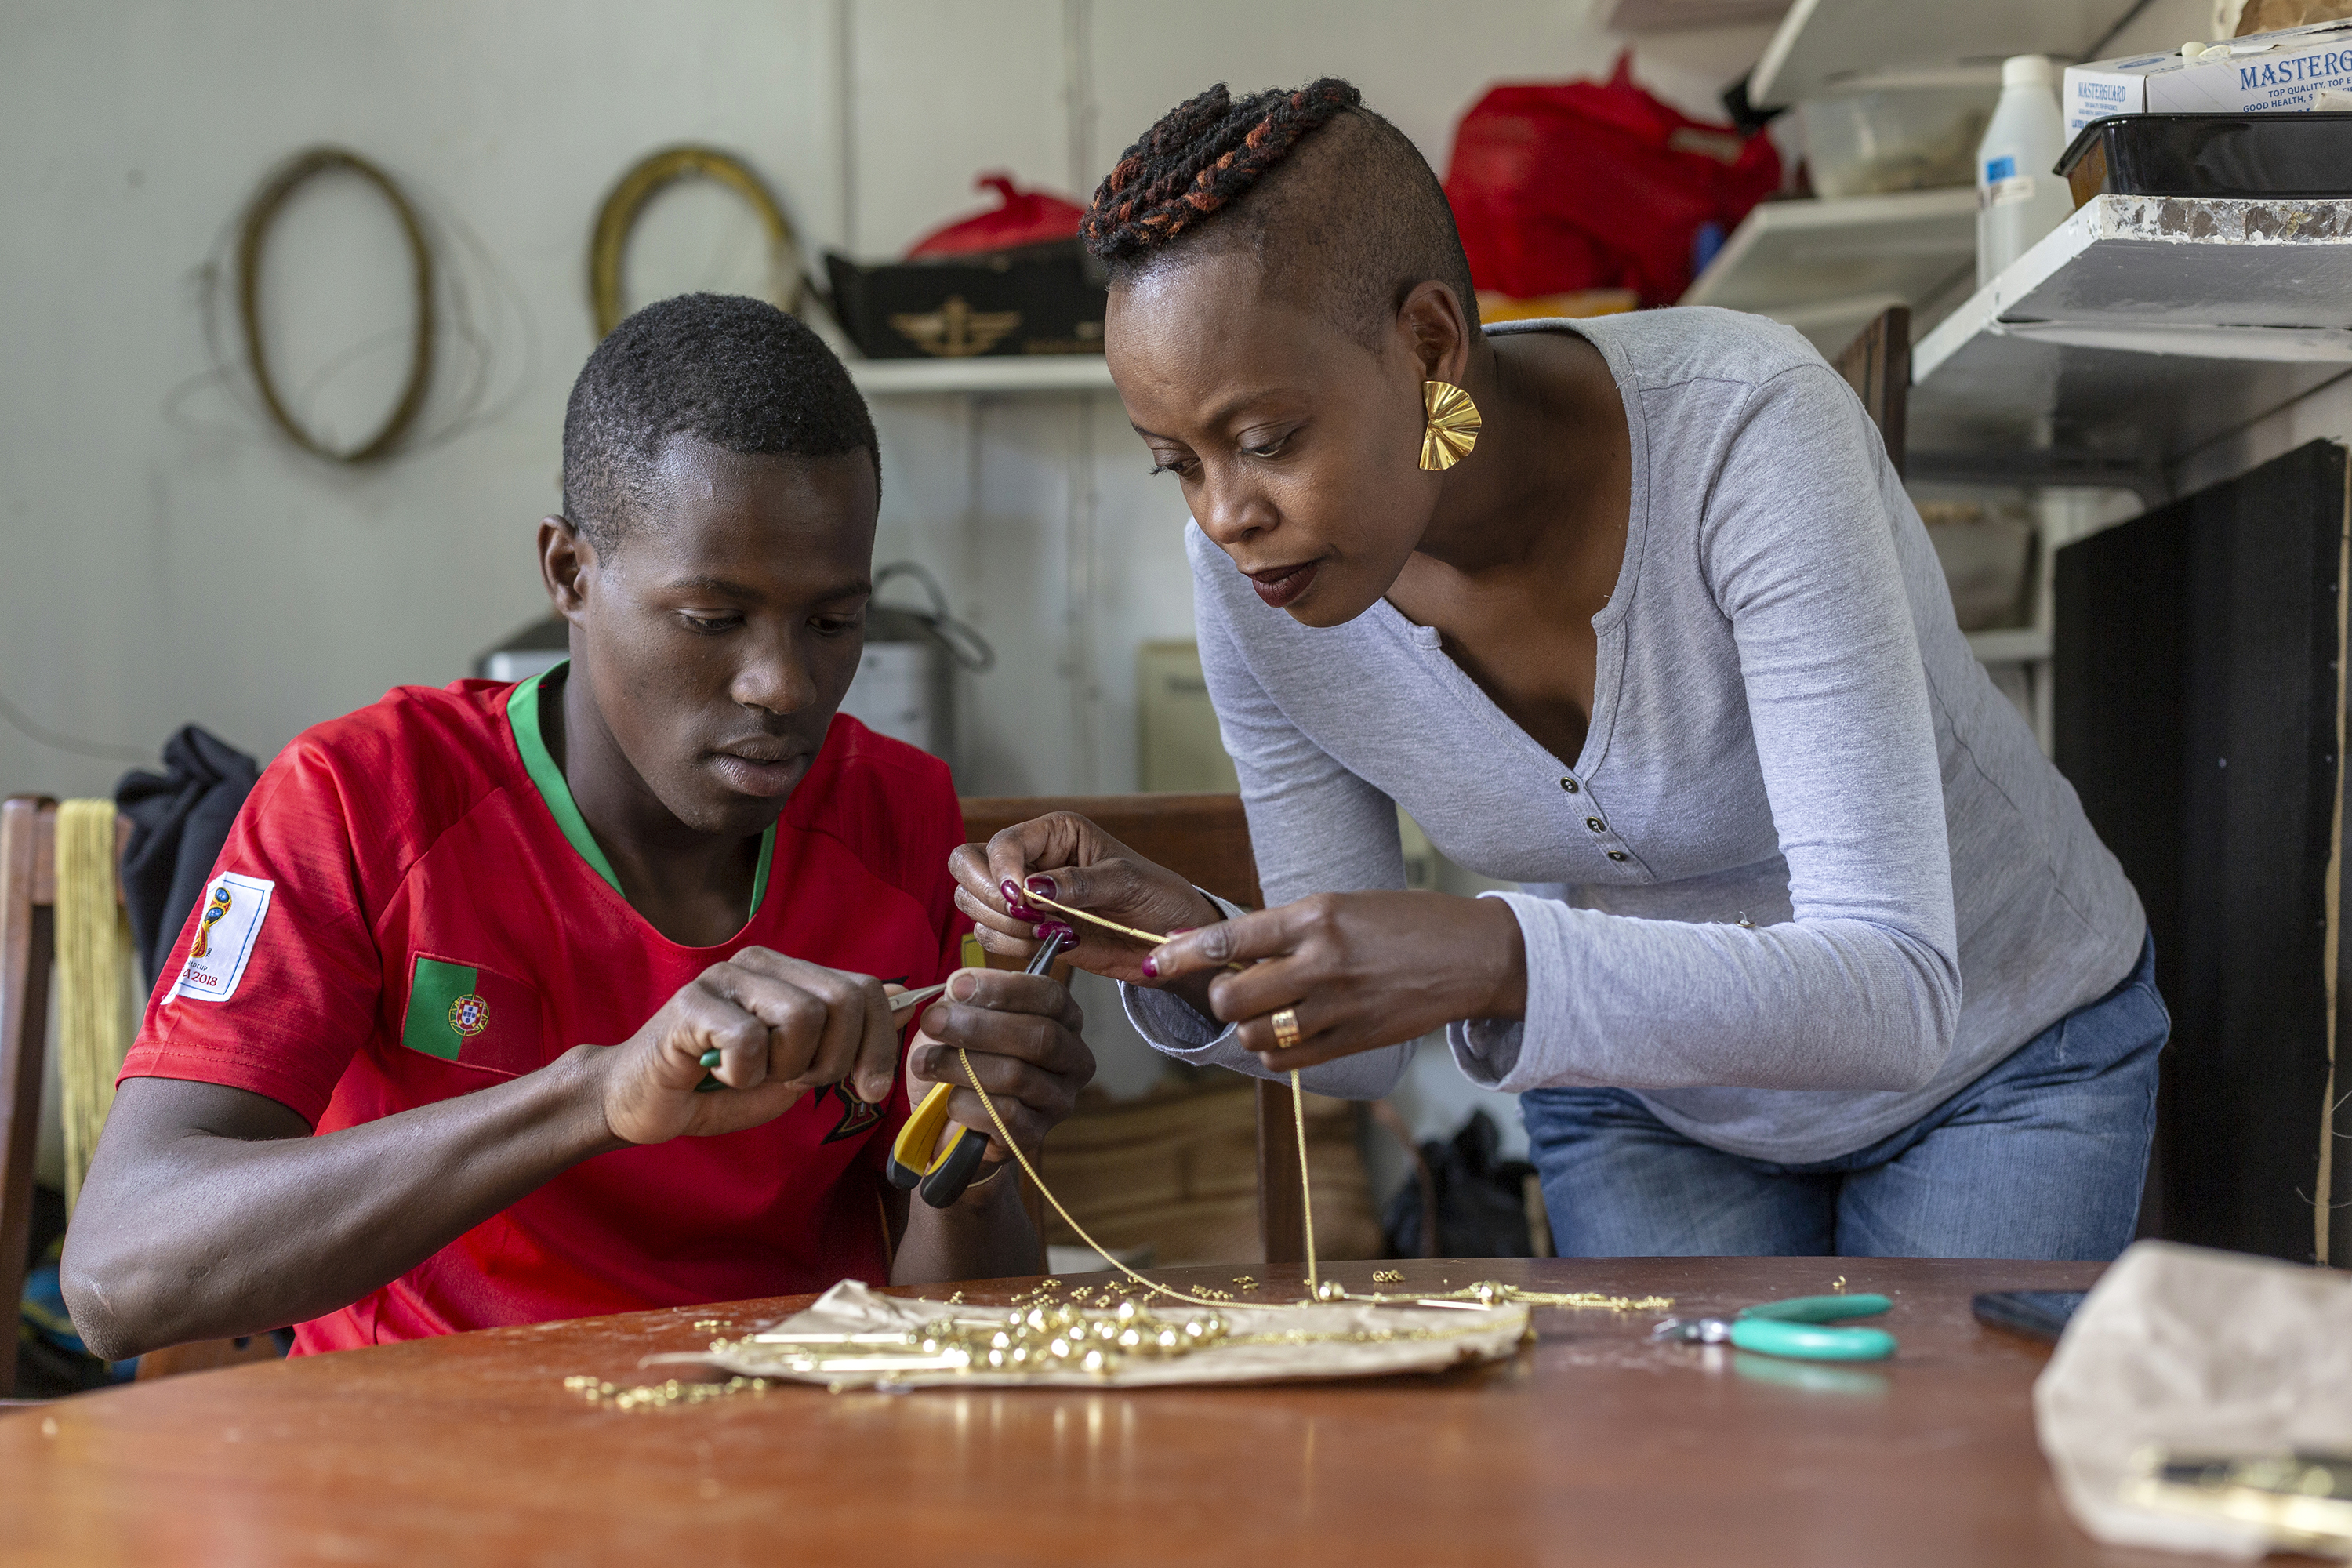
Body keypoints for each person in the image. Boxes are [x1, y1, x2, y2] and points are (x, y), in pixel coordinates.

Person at [956, 82, 2163, 1261]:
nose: (1225, 515)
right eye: (1177, 462)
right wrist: (1191, 947)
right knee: (1670, 1467)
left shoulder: (1749, 432)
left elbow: (1893, 993)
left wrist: (1495, 954)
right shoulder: (1248, 587)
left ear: (1429, 342)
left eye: (1266, 442)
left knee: (1932, 1462)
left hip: (1997, 1056)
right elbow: (1361, 1057)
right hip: (1643, 1096)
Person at [64, 294, 1092, 1359]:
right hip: (424, 1481)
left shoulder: (897, 817)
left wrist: (970, 1165)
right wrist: (600, 1095)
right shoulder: (362, 801)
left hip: (787, 1473)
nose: (783, 684)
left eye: (833, 623)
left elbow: (954, 1336)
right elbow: (115, 1276)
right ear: (569, 572)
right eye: (712, 619)